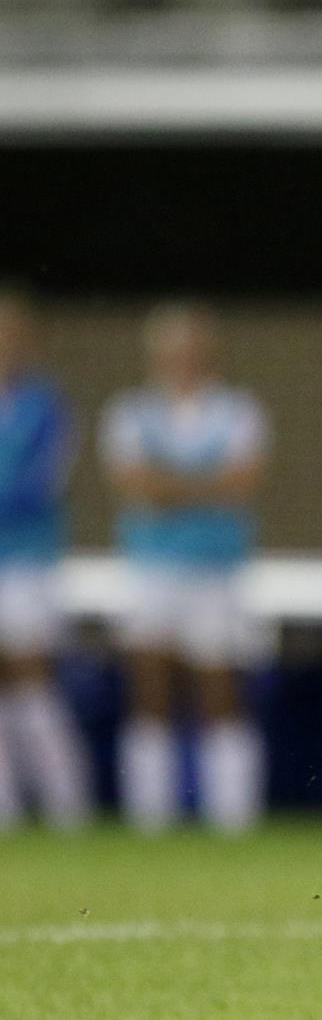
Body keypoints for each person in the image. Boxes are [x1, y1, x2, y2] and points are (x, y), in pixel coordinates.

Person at [101, 303, 270, 834]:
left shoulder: (238, 410)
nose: (184, 358)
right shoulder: (130, 411)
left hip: (215, 571)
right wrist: (205, 486)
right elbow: (133, 484)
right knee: (150, 685)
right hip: (152, 569)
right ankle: (151, 817)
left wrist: (169, 487)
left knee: (219, 687)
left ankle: (232, 819)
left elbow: (242, 482)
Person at [0, 290, 91, 831]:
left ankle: (66, 803)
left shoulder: (47, 406)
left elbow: (38, 485)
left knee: (31, 676)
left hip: (27, 559)